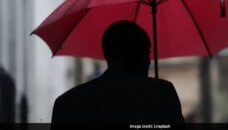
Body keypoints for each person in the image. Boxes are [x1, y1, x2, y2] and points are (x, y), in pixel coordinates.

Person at [51, 20, 185, 123]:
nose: (149, 61)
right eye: (146, 53)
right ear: (135, 54)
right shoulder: (162, 93)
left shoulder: (67, 103)